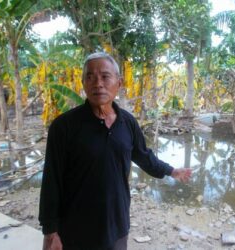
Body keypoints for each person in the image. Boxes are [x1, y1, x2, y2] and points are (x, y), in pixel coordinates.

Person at [39, 52, 192, 250]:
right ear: (83, 83)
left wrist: (171, 171)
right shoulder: (64, 127)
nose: (98, 83)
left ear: (118, 83)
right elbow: (52, 180)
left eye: (105, 76)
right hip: (74, 228)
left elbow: (144, 157)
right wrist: (50, 231)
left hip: (116, 224)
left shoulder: (127, 123)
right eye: (90, 77)